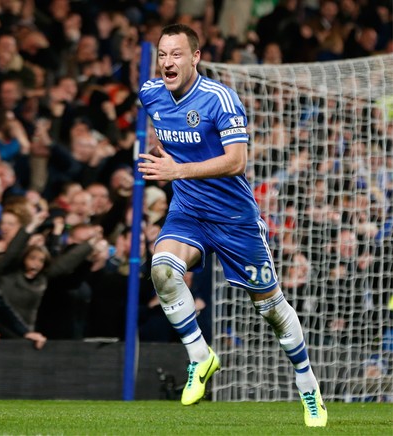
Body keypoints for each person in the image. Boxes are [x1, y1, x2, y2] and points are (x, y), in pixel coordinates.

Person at [136, 24, 327, 427]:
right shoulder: (150, 95)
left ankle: (308, 387)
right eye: (163, 54)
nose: (168, 62)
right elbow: (171, 139)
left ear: (196, 57)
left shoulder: (220, 99)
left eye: (177, 54)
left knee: (271, 310)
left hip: (235, 219)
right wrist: (165, 157)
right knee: (162, 270)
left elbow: (237, 160)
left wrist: (178, 169)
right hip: (188, 212)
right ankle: (200, 357)